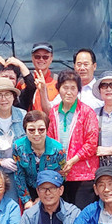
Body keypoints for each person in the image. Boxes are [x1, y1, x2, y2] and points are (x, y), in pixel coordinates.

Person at [46, 70, 99, 208]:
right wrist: (58, 164)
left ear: (78, 90)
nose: (69, 92)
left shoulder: (87, 112)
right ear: (58, 89)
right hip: (61, 174)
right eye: (65, 87)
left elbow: (91, 144)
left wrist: (72, 161)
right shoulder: (54, 112)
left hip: (83, 175)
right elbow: (50, 140)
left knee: (82, 215)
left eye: (73, 88)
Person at [13, 110, 66, 207]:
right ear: (25, 130)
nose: (36, 134)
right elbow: (19, 174)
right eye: (31, 130)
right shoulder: (18, 147)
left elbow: (61, 176)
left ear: (47, 129)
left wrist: (43, 197)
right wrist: (27, 200)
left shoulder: (58, 150)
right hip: (29, 189)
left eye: (41, 129)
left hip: (51, 191)